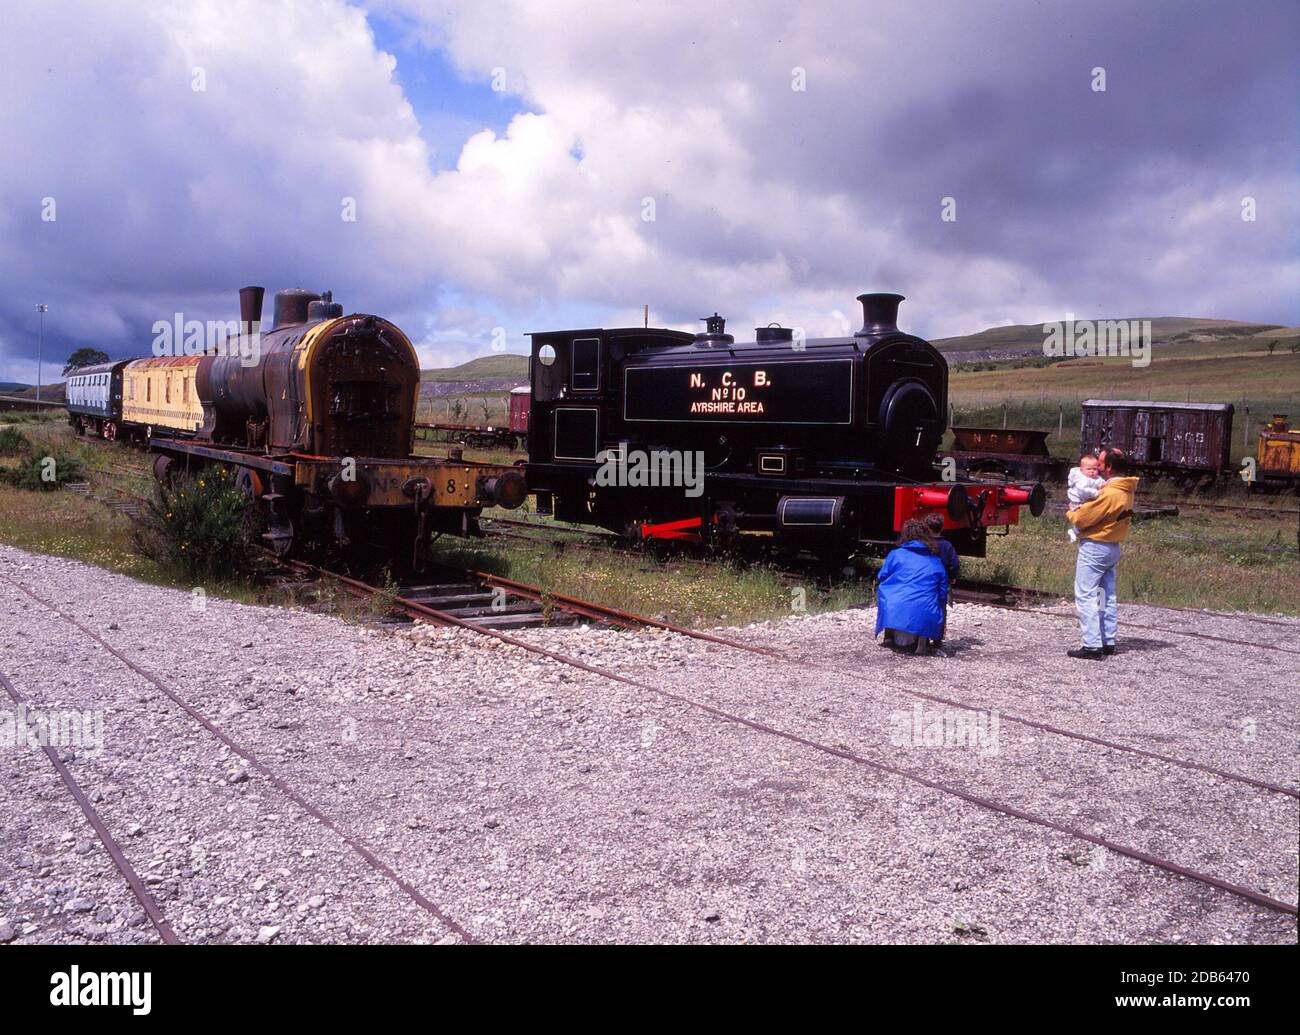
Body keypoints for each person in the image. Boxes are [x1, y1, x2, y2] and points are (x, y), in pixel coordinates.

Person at [1066, 449, 1139, 660]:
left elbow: (1083, 518)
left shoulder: (1109, 493)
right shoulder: (1126, 489)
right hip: (1113, 546)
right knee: (1105, 595)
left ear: (1108, 467)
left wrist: (1071, 511)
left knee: (1086, 594)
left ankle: (1091, 645)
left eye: (1099, 463)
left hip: (1095, 547)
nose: (1096, 467)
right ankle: (1108, 641)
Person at [875, 518, 949, 656]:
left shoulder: (895, 554)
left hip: (895, 606)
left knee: (886, 592)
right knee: (930, 602)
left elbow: (882, 576)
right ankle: (924, 641)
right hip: (924, 608)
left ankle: (889, 636)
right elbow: (943, 591)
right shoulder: (935, 560)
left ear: (905, 535)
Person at [922, 511, 959, 642]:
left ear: (926, 528)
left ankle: (924, 637)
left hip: (926, 582)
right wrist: (953, 576)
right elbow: (954, 564)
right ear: (942, 528)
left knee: (926, 607)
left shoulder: (924, 544)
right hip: (943, 583)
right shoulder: (947, 546)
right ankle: (938, 638)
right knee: (941, 608)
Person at [1066, 453, 1105, 543]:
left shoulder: (1095, 478)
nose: (1092, 471)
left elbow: (1100, 481)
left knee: (1089, 518)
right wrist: (1096, 492)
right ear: (1082, 470)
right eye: (1089, 469)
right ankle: (1074, 531)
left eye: (1095, 469)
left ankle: (1076, 532)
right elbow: (1083, 491)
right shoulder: (1082, 480)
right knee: (1084, 518)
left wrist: (1104, 484)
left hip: (1086, 502)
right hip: (1078, 503)